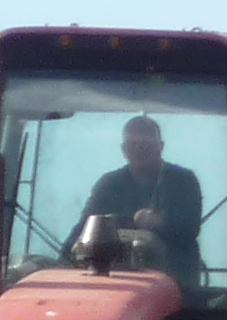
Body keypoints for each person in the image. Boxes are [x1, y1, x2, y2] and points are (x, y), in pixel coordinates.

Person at [76, 115, 205, 286]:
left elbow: (189, 230)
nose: (139, 149)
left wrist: (160, 224)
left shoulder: (184, 181)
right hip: (114, 283)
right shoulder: (108, 184)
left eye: (145, 144)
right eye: (132, 144)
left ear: (161, 146)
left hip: (176, 286)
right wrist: (58, 263)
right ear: (123, 150)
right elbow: (84, 228)